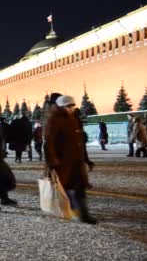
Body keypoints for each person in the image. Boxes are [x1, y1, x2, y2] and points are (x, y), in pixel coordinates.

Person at [45, 95, 97, 224]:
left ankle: (84, 214)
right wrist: (53, 159)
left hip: (76, 161)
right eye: (68, 106)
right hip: (63, 163)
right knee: (65, 188)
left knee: (80, 187)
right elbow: (49, 142)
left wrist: (86, 159)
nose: (71, 108)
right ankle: (71, 208)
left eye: (72, 106)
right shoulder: (54, 120)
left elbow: (80, 141)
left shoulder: (74, 118)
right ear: (61, 107)